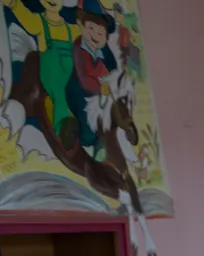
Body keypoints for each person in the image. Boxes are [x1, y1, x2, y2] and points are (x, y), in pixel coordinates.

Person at [2, 0, 82, 135]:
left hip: (67, 72)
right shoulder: (39, 22)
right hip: (50, 70)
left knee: (72, 91)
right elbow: (24, 16)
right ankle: (61, 129)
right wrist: (13, 3)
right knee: (59, 93)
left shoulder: (71, 29)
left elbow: (86, 33)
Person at [65, 0, 118, 160]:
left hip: (98, 91)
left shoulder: (104, 54)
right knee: (88, 117)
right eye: (91, 29)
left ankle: (102, 142)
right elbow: (84, 79)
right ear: (81, 26)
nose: (95, 35)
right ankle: (87, 142)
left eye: (100, 33)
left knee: (109, 113)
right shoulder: (79, 49)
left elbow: (111, 71)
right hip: (78, 90)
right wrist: (100, 88)